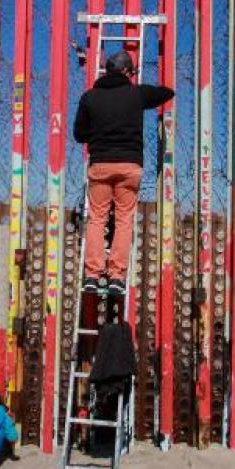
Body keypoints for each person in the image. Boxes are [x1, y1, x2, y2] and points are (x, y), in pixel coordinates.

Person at [72, 49, 174, 296]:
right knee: (124, 219)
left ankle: (92, 275)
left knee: (96, 218)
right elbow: (166, 93)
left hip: (101, 165)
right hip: (129, 166)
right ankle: (117, 276)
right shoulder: (136, 94)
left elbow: (79, 135)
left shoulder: (89, 98)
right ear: (127, 72)